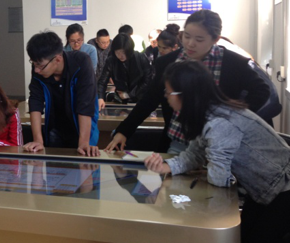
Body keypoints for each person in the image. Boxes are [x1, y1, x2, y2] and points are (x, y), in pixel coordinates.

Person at [145, 60, 290, 243]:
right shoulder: (208, 112)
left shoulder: (219, 122)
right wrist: (167, 166)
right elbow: (195, 153)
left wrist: (201, 182)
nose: (166, 97)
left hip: (283, 187)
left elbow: (219, 178)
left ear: (186, 94)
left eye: (168, 92)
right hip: (263, 188)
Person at [106, 10, 271, 154]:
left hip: (219, 145)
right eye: (187, 36)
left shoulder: (232, 63)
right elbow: (150, 99)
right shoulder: (168, 62)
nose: (190, 44)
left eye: (199, 39)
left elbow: (262, 91)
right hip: (179, 143)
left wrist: (233, 119)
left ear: (215, 39)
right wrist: (124, 131)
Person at [24, 31, 99, 156]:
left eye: (40, 66)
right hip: (55, 127)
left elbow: (85, 104)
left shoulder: (81, 62)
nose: (36, 70)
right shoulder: (39, 67)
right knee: (54, 163)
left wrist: (84, 142)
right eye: (33, 64)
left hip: (81, 126)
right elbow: (35, 101)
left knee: (83, 160)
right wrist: (38, 140)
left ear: (57, 59)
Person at [97, 33, 152, 109]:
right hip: (121, 100)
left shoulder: (141, 58)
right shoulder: (111, 61)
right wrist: (100, 97)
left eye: (124, 52)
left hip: (141, 98)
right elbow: (102, 81)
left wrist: (129, 94)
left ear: (130, 50)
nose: (121, 55)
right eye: (118, 52)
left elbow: (147, 80)